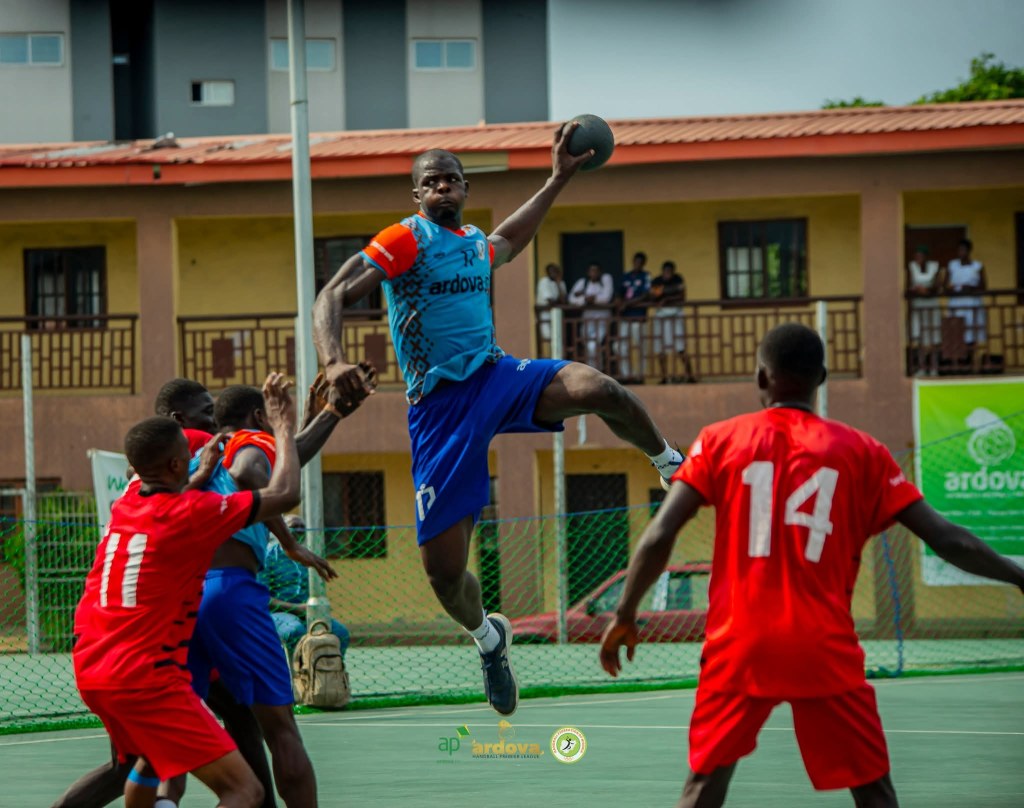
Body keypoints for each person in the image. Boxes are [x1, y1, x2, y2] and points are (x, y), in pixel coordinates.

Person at [312, 124, 685, 717]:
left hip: (495, 376)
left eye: (452, 179)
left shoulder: (472, 244)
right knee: (445, 575)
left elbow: (508, 238)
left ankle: (670, 464)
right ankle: (489, 638)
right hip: (439, 410)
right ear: (417, 194)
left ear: (465, 189)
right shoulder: (404, 239)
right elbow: (331, 295)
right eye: (431, 181)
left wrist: (557, 179)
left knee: (599, 388)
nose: (443, 187)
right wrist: (333, 361)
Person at [599, 323, 1024, 808]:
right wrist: (1018, 576)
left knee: (704, 785)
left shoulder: (720, 440)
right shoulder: (863, 452)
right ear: (821, 378)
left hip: (740, 645)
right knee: (873, 790)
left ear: (762, 378)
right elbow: (948, 539)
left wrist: (625, 613)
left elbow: (660, 535)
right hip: (822, 646)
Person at [72, 373, 304, 808]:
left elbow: (169, 494)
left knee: (145, 764)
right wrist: (284, 424)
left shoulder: (126, 506)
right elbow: (284, 492)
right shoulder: (194, 514)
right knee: (246, 789)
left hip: (92, 668)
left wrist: (201, 471)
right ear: (179, 464)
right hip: (148, 673)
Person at [186, 379, 362, 808]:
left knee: (171, 743)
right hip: (228, 590)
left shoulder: (201, 458)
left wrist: (324, 416)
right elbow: (257, 473)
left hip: (183, 595)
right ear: (258, 417)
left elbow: (287, 456)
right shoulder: (249, 443)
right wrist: (288, 540)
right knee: (281, 729)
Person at [260, 514, 350, 658]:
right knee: (295, 631)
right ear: (282, 530)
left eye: (302, 527)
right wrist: (296, 608)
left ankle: (331, 669)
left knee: (340, 632)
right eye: (294, 526)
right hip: (278, 614)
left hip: (308, 612)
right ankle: (297, 669)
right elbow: (262, 598)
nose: (299, 530)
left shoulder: (309, 557)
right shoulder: (268, 557)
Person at [649, 260, 696, 384]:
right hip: (661, 316)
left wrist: (667, 298)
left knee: (680, 348)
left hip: (676, 315)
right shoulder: (657, 281)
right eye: (665, 271)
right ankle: (664, 377)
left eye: (670, 271)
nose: (667, 274)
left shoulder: (678, 279)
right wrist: (663, 294)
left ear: (673, 271)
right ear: (662, 271)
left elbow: (682, 296)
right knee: (660, 349)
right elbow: (653, 296)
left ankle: (690, 376)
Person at [568, 261, 615, 371]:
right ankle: (593, 370)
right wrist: (585, 299)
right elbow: (571, 298)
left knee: (593, 345)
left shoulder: (606, 279)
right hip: (587, 320)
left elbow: (606, 298)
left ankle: (596, 371)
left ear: (600, 272)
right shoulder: (583, 282)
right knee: (588, 346)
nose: (594, 273)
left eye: (596, 271)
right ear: (588, 272)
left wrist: (590, 298)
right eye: (591, 271)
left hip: (602, 320)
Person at [615, 252, 651, 383]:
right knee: (620, 347)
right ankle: (627, 375)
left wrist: (628, 304)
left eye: (640, 262)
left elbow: (646, 295)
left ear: (643, 263)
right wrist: (619, 303)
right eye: (636, 261)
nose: (637, 264)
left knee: (641, 348)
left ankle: (640, 376)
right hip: (625, 318)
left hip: (639, 318)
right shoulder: (626, 276)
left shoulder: (646, 276)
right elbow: (619, 292)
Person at [907, 246, 943, 374]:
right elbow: (907, 287)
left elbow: (938, 286)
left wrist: (926, 291)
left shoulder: (935, 267)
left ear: (926, 257)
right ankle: (922, 367)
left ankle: (934, 367)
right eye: (916, 256)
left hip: (932, 305)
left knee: (934, 336)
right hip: (918, 306)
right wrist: (917, 291)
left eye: (921, 256)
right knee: (920, 337)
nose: (918, 259)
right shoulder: (911, 267)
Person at [946, 238, 987, 349]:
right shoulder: (952, 265)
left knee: (972, 331)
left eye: (963, 250)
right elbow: (946, 285)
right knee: (957, 331)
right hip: (956, 302)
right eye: (959, 250)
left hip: (972, 302)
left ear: (969, 251)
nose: (961, 253)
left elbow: (983, 286)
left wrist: (970, 288)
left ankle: (971, 356)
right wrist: (951, 288)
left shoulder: (977, 266)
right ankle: (960, 357)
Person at [536, 262, 568, 343]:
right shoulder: (544, 282)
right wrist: (558, 301)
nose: (554, 274)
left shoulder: (561, 283)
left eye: (555, 271)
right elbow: (550, 301)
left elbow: (564, 301)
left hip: (557, 314)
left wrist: (558, 284)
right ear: (547, 272)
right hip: (545, 314)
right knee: (548, 336)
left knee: (558, 337)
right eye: (551, 271)